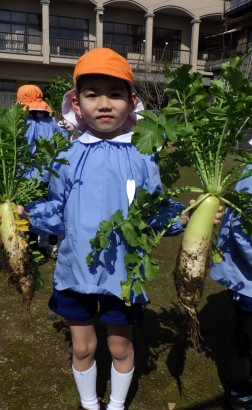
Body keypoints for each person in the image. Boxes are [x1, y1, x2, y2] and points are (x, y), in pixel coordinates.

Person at [17, 48, 222, 410]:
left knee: (120, 345)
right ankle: (89, 403)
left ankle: (115, 404)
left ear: (132, 101)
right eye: (92, 94)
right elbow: (57, 208)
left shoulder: (142, 155)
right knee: (83, 346)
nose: (104, 103)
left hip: (124, 275)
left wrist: (184, 219)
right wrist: (28, 215)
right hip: (75, 271)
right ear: (77, 105)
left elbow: (154, 211)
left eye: (115, 94)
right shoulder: (67, 156)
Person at [209, 164, 252, 410]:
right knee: (244, 335)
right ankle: (240, 392)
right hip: (245, 278)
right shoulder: (250, 177)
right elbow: (243, 235)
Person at [17, 84, 68, 256]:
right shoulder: (50, 122)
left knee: (27, 211)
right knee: (49, 207)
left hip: (25, 176)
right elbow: (63, 141)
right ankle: (51, 243)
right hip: (49, 174)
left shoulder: (21, 123)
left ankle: (32, 247)